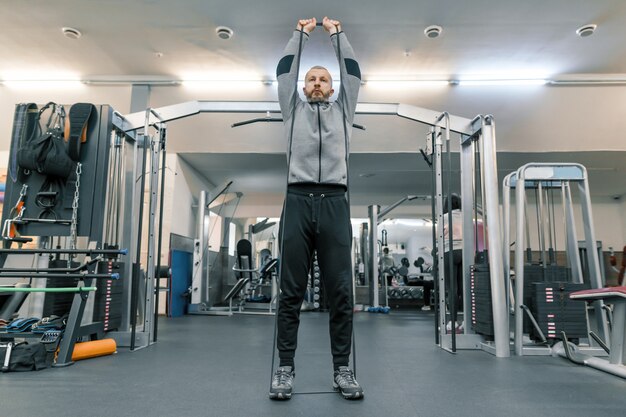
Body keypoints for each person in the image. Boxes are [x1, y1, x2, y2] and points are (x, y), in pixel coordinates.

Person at [270, 17, 363, 401]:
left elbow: (353, 72)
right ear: (304, 87)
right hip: (296, 200)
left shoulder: (344, 111)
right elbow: (283, 72)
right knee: (290, 293)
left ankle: (343, 369)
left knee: (341, 292)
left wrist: (338, 35)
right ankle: (285, 370)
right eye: (312, 80)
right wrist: (301, 35)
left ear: (332, 87)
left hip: (335, 203)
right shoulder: (292, 109)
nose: (318, 84)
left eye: (324, 79)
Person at [442, 193, 463, 332]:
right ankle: (467, 321)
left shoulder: (444, 218)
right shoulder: (466, 216)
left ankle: (453, 321)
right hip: (465, 252)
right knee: (464, 289)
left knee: (452, 289)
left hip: (450, 251)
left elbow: (440, 237)